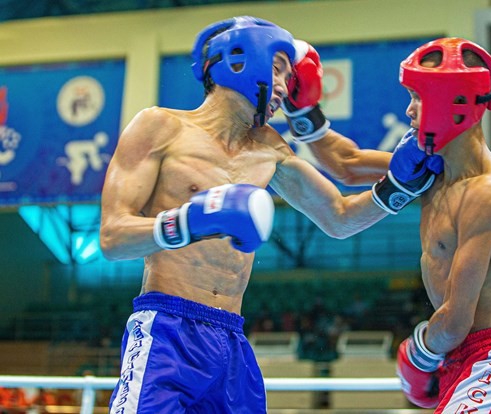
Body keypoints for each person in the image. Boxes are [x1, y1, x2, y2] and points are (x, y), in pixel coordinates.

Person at [99, 16, 441, 414]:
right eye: (278, 70)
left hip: (232, 340)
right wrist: (193, 220)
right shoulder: (160, 126)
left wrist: (397, 188)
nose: (284, 87)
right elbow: (112, 236)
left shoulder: (270, 148)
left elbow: (339, 216)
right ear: (240, 61)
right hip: (168, 329)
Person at [285, 37, 491, 412]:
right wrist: (302, 110)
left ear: (450, 102)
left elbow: (456, 320)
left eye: (418, 98)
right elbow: (348, 163)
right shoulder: (432, 170)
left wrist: (417, 354)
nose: (408, 110)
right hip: (460, 360)